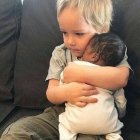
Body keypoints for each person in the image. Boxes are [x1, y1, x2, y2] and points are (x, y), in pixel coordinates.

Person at [0, 0, 131, 140]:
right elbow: (51, 93)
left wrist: (76, 72)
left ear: (102, 29)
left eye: (79, 33)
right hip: (60, 114)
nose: (70, 41)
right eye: (64, 32)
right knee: (18, 131)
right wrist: (67, 92)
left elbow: (121, 78)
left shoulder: (111, 49)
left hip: (95, 122)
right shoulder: (61, 52)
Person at [59, 32, 127, 140]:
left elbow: (62, 81)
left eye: (86, 51)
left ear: (94, 56)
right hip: (107, 123)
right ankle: (113, 135)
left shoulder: (76, 66)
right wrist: (121, 113)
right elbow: (121, 101)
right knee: (114, 127)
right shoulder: (112, 75)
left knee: (64, 123)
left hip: (75, 121)